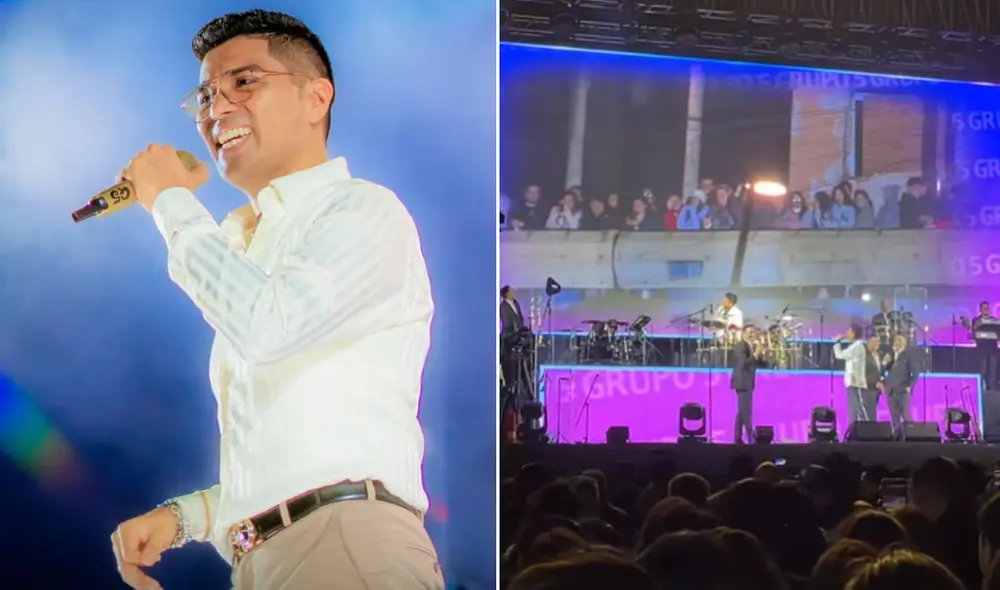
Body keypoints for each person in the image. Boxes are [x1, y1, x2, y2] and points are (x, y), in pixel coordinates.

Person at [109, 10, 441, 590]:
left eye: (244, 82)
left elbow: (269, 326)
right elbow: (291, 452)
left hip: (345, 542)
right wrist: (186, 518)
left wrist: (170, 203)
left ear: (317, 98)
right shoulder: (246, 248)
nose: (216, 109)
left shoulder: (362, 211)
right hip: (266, 559)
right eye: (206, 95)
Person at [730, 325, 767, 444]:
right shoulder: (740, 346)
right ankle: (751, 438)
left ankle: (737, 438)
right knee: (747, 411)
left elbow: (762, 363)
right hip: (742, 382)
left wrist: (761, 354)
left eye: (754, 332)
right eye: (750, 332)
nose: (752, 335)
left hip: (748, 382)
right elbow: (744, 363)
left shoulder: (751, 346)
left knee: (742, 411)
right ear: (744, 333)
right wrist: (755, 353)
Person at [882, 334, 919, 439]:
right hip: (891, 391)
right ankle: (898, 439)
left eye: (899, 340)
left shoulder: (908, 355)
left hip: (903, 390)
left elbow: (915, 373)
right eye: (895, 340)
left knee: (905, 413)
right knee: (894, 416)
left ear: (904, 343)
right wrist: (884, 364)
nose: (896, 342)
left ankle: (913, 437)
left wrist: (909, 386)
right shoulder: (891, 356)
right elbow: (885, 371)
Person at [833, 324, 869, 425]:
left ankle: (869, 429)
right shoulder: (854, 346)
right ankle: (852, 432)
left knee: (859, 407)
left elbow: (840, 355)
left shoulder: (857, 346)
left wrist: (837, 342)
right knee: (852, 410)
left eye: (849, 332)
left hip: (856, 382)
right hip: (851, 382)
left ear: (854, 334)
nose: (847, 334)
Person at [862, 336, 884, 422]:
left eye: (878, 342)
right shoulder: (865, 356)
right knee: (870, 415)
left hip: (876, 390)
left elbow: (879, 372)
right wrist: (874, 383)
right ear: (870, 344)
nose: (877, 343)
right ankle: (870, 433)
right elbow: (863, 374)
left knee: (872, 413)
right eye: (875, 342)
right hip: (868, 389)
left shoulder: (878, 355)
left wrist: (882, 382)